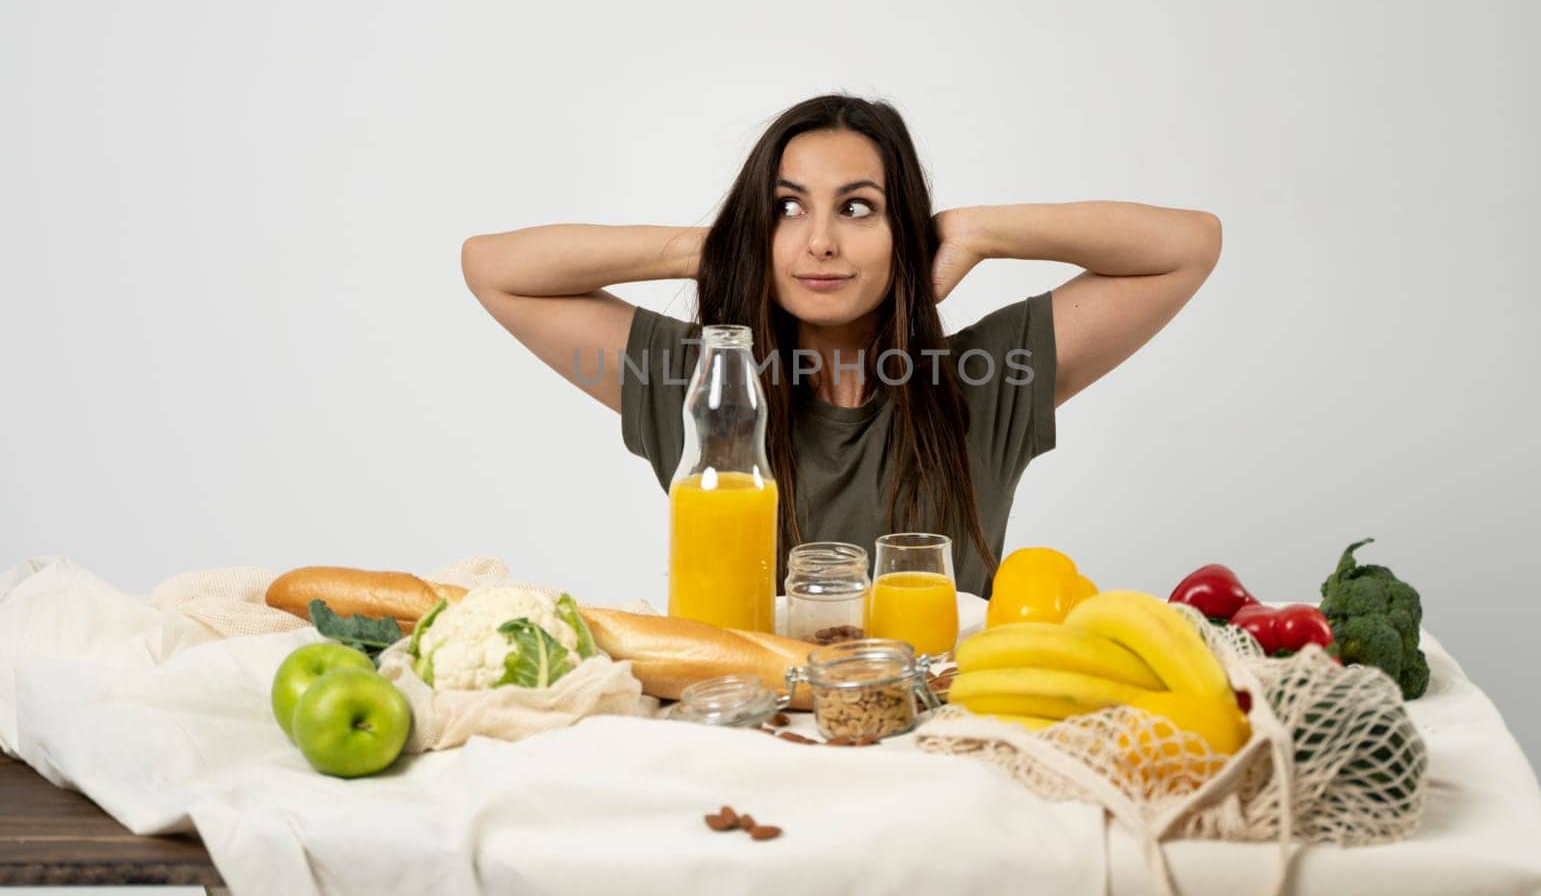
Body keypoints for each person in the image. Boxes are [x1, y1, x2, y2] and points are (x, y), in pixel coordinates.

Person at [460, 94, 1221, 596]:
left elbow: (1188, 244)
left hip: (945, 752)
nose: (820, 241)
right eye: (788, 208)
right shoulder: (702, 387)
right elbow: (494, 268)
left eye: (858, 208)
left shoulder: (989, 379)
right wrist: (719, 245)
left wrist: (979, 232)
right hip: (751, 746)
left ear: (903, 232)